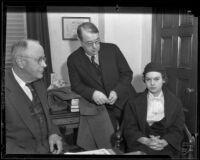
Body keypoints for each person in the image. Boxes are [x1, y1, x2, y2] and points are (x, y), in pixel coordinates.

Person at [67, 22, 136, 149]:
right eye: (89, 43)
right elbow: (76, 85)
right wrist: (92, 93)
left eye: (97, 41)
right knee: (109, 143)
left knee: (131, 139)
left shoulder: (112, 49)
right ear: (79, 40)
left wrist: (116, 91)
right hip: (103, 108)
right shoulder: (73, 59)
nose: (95, 47)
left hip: (126, 101)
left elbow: (127, 73)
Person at [5, 39, 63, 154]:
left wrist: (54, 133)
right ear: (21, 62)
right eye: (39, 60)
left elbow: (47, 117)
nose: (45, 65)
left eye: (44, 59)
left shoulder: (38, 82)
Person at [123, 62, 185, 157]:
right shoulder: (133, 102)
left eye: (156, 79)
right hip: (141, 143)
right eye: (148, 79)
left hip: (166, 145)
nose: (152, 83)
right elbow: (130, 129)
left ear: (164, 79)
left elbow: (178, 129)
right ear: (144, 80)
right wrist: (147, 141)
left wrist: (164, 142)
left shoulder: (176, 102)